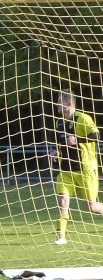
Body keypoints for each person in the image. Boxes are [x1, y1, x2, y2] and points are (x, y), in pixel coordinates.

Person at [50, 89, 102, 245]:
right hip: (66, 171)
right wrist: (55, 152)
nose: (56, 104)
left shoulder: (83, 118)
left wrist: (77, 139)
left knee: (92, 207)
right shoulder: (58, 123)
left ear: (68, 103)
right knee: (63, 202)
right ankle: (61, 237)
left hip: (85, 169)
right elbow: (59, 143)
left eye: (59, 101)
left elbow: (96, 136)